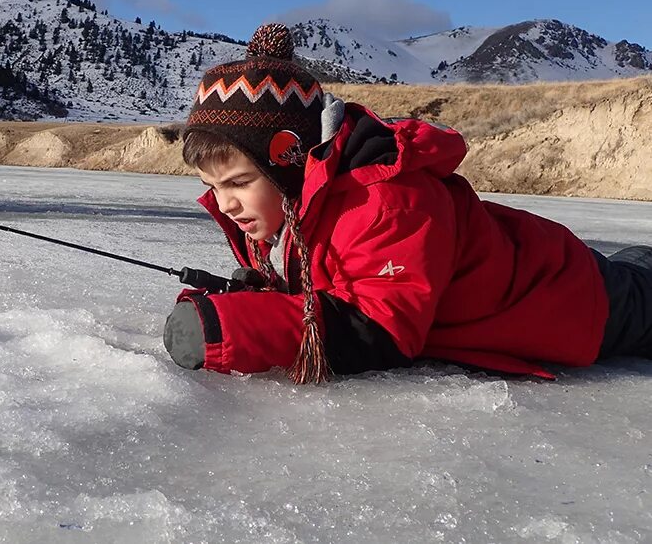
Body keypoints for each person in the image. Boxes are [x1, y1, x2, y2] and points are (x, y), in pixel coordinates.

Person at [162, 23, 652, 384]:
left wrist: (237, 327)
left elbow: (380, 328)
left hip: (566, 296)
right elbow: (333, 287)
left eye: (240, 182)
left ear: (288, 162)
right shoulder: (288, 209)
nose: (225, 204)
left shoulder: (386, 203)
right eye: (214, 186)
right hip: (537, 276)